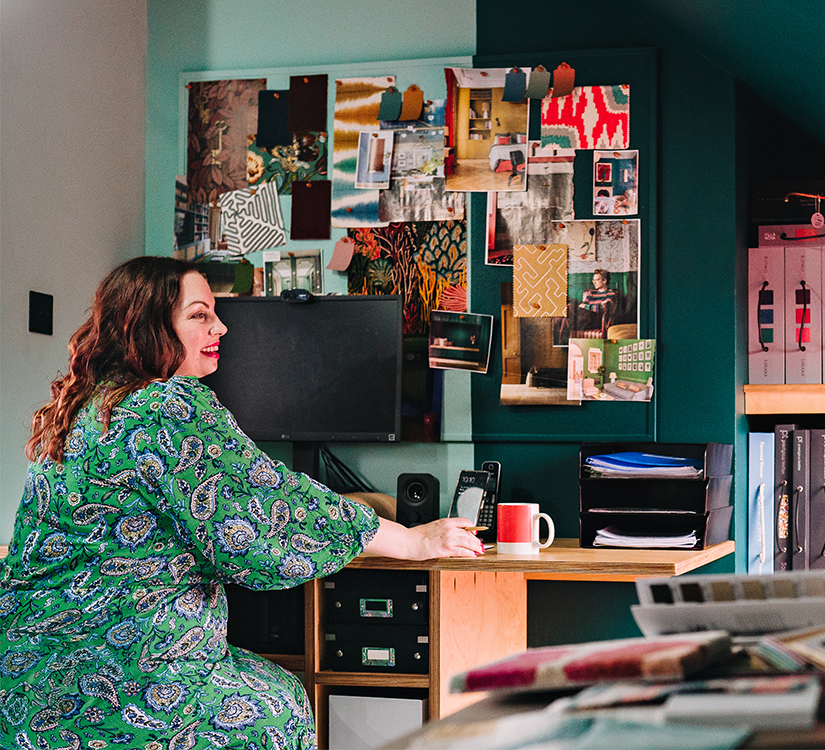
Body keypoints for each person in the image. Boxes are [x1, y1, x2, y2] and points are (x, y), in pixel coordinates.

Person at [0, 256, 481, 749]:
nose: (221, 326)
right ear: (147, 327)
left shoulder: (83, 408)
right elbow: (269, 515)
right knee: (278, 708)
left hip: (26, 674)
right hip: (129, 677)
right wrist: (409, 538)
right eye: (199, 314)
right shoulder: (169, 406)